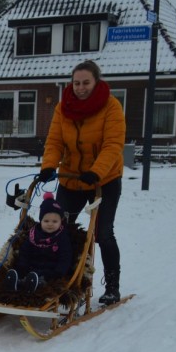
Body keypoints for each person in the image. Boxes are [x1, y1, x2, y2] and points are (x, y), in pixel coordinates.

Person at [35, 60, 126, 305]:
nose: (81, 87)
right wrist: (48, 167)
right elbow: (54, 142)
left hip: (104, 179)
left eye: (86, 82)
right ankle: (59, 278)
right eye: (76, 83)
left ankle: (112, 286)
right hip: (72, 179)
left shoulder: (111, 107)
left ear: (96, 82)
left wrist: (96, 172)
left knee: (103, 233)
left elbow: (113, 145)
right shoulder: (63, 107)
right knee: (57, 228)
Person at [6, 192, 72, 293]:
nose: (50, 224)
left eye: (55, 221)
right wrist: (22, 266)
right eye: (46, 221)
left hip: (50, 271)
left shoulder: (62, 237)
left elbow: (65, 256)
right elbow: (25, 251)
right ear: (40, 220)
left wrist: (58, 272)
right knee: (24, 274)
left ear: (61, 221)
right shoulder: (34, 234)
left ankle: (35, 285)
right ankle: (16, 283)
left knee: (42, 280)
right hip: (31, 268)